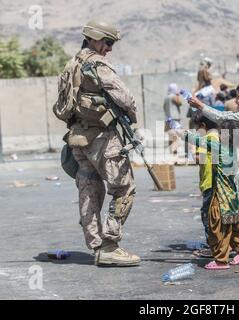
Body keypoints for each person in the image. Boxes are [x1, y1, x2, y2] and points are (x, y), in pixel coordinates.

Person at [54, 20, 140, 267]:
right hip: (103, 139)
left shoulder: (71, 65)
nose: (110, 49)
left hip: (78, 139)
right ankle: (110, 245)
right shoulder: (98, 64)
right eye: (108, 42)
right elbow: (125, 98)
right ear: (93, 38)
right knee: (124, 189)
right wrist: (132, 118)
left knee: (89, 192)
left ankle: (96, 246)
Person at [188, 83, 239, 253]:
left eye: (238, 97)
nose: (236, 101)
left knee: (234, 209)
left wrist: (200, 105)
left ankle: (225, 246)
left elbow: (222, 117)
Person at [180, 120, 239, 269]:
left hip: (220, 195)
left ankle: (221, 260)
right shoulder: (233, 150)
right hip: (231, 194)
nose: (218, 134)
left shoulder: (219, 147)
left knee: (218, 228)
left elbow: (197, 140)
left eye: (221, 132)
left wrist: (183, 133)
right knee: (231, 226)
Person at [191, 111, 219, 257]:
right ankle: (221, 244)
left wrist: (192, 149)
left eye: (197, 128)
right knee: (216, 214)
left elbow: (199, 159)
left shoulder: (206, 139)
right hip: (217, 183)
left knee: (207, 215)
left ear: (203, 125)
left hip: (209, 182)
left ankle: (213, 246)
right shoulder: (218, 136)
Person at [163, 83, 183, 155]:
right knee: (176, 138)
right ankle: (174, 153)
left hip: (168, 119)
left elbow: (164, 108)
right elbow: (180, 103)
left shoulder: (166, 97)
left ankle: (172, 154)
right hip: (175, 120)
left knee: (171, 138)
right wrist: (178, 94)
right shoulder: (174, 96)